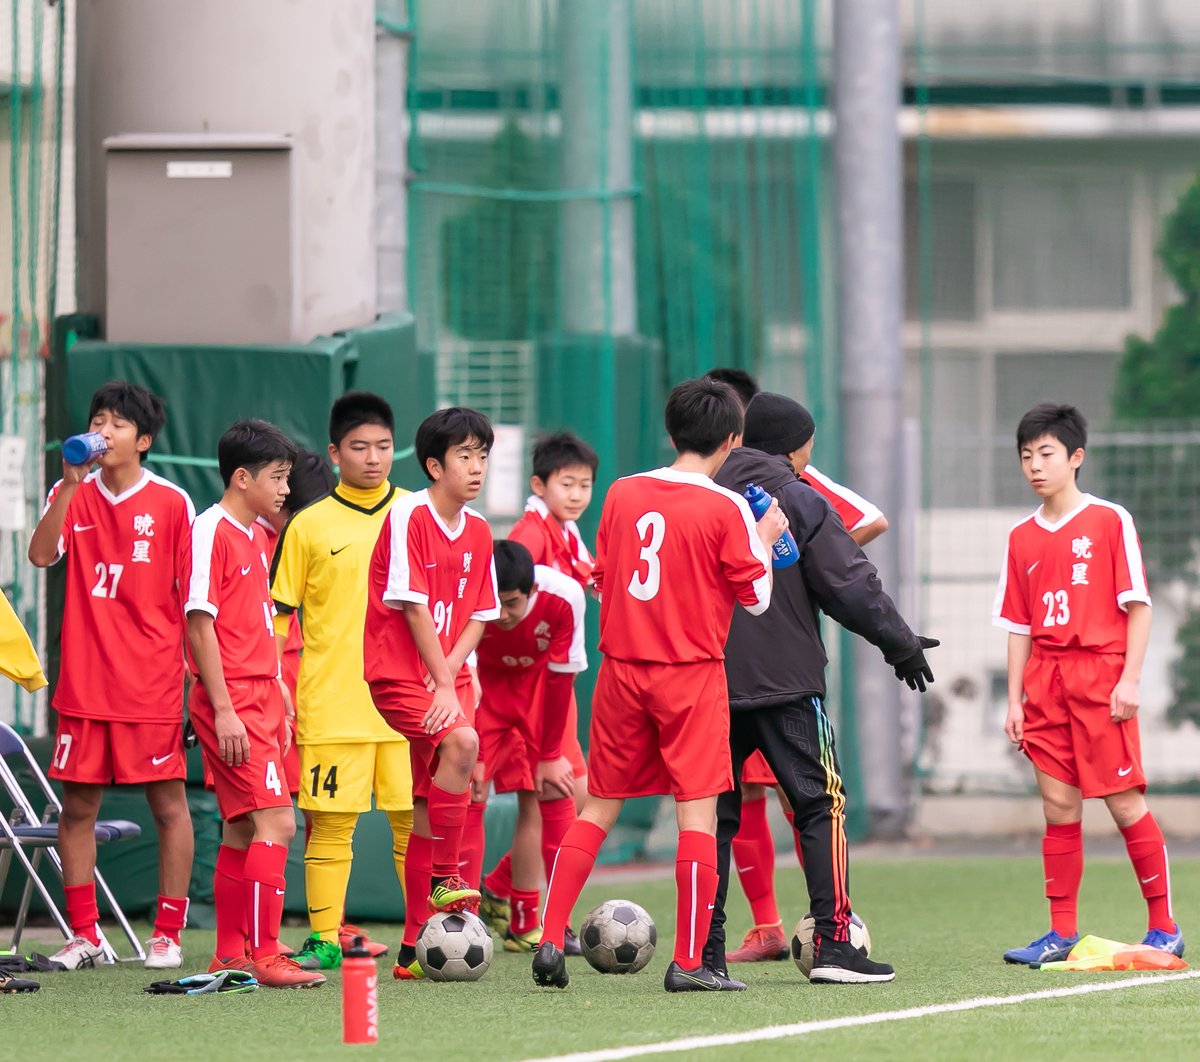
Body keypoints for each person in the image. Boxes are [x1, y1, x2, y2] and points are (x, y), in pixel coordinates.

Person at [531, 377, 788, 993]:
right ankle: (690, 962)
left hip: (621, 669)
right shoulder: (725, 507)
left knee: (598, 806)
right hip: (690, 674)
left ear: (670, 433)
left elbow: (605, 575)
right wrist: (765, 534)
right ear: (732, 441)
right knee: (695, 814)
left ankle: (548, 939)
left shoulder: (621, 492)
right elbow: (755, 598)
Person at [706, 391, 938, 984]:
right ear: (796, 445)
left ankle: (701, 953)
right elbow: (849, 582)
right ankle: (835, 946)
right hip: (787, 683)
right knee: (821, 804)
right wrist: (901, 643)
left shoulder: (702, 494)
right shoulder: (799, 496)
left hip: (707, 680)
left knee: (709, 817)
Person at [994, 403, 1183, 964]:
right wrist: (1013, 700)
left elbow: (1139, 607)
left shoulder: (1108, 520)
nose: (1035, 465)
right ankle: (1061, 932)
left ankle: (1165, 926)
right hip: (1044, 681)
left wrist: (1129, 680)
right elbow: (1018, 625)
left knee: (1123, 804)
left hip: (1100, 676)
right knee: (1057, 805)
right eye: (1026, 455)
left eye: (1046, 454)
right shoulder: (1020, 537)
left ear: (1076, 458)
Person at [28, 382, 195, 971]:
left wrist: (195, 680)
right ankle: (84, 934)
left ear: (142, 440)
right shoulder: (70, 491)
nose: (104, 431)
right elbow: (41, 555)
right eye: (98, 420)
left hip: (150, 682)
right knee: (76, 808)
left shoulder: (173, 503)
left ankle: (168, 933)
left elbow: (191, 597)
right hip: (84, 680)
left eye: (118, 424)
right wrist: (71, 484)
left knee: (169, 805)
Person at [269, 394, 414, 971]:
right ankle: (326, 937)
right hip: (332, 704)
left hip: (410, 703)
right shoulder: (306, 525)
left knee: (415, 824)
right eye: (359, 447)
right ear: (334, 454)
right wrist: (272, 683)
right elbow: (278, 616)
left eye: (382, 446)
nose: (373, 458)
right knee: (330, 827)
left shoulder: (417, 513)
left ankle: (423, 937)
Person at [185, 419, 324, 989]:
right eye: (278, 477)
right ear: (242, 478)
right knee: (278, 822)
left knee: (243, 830)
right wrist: (223, 708)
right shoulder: (209, 529)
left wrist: (279, 687)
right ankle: (266, 955)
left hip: (262, 695)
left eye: (287, 477)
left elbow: (254, 624)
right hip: (233, 700)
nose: (285, 489)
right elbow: (199, 624)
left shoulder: (255, 535)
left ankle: (229, 954)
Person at [364, 407, 499, 981]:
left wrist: (452, 674)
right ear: (433, 465)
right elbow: (413, 604)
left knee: (431, 805)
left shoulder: (481, 530)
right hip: (400, 676)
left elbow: (480, 616)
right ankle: (449, 879)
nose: (476, 468)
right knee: (462, 744)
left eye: (482, 456)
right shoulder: (407, 514)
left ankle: (410, 953)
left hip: (449, 677)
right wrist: (441, 681)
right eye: (465, 456)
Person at [478, 431, 596, 953]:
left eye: (584, 484)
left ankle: (504, 892)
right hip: (511, 688)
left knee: (572, 796)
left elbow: (585, 583)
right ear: (538, 485)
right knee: (544, 798)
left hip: (547, 688)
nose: (576, 494)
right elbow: (506, 614)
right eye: (566, 483)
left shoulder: (567, 532)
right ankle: (536, 920)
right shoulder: (529, 538)